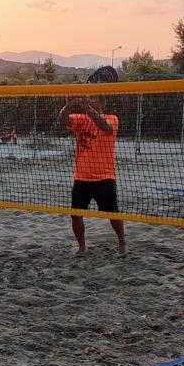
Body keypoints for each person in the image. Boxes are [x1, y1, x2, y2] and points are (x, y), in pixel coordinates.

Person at [62, 95, 126, 253]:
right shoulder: (81, 118)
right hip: (81, 177)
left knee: (113, 213)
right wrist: (68, 105)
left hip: (105, 177)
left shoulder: (112, 118)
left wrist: (86, 107)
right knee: (75, 215)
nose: (90, 101)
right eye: (88, 99)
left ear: (103, 102)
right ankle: (82, 247)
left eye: (93, 99)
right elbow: (63, 119)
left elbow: (105, 127)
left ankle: (122, 242)